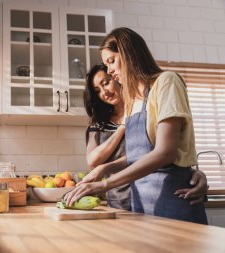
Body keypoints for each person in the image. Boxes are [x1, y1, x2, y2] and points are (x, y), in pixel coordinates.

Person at [66, 27, 208, 224]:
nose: (110, 70)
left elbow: (165, 153)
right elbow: (138, 155)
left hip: (174, 199)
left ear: (127, 53)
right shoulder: (132, 100)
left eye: (111, 61)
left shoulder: (166, 82)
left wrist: (104, 184)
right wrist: (104, 169)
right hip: (142, 206)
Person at [84, 64, 208, 211]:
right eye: (97, 91)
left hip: (155, 195)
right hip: (120, 201)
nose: (104, 92)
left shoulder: (147, 107)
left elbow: (164, 149)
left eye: (106, 83)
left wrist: (191, 173)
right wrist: (122, 128)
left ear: (117, 77)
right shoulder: (99, 124)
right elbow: (93, 162)